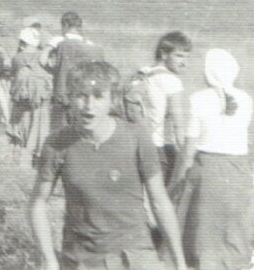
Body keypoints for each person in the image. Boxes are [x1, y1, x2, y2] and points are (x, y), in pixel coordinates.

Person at [29, 60, 186, 270]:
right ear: (70, 98)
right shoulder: (56, 143)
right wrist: (49, 259)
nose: (89, 105)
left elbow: (160, 202)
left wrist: (179, 263)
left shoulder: (136, 138)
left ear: (112, 100)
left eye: (98, 96)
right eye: (81, 95)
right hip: (82, 258)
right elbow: (38, 203)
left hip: (134, 255)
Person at [168, 49, 253, 270]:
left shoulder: (198, 99)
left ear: (208, 72)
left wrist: (176, 181)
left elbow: (189, 151)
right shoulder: (246, 99)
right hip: (239, 170)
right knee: (234, 230)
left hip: (207, 171)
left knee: (201, 234)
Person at [127, 31, 191, 179]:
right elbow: (178, 124)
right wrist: (186, 156)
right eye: (179, 56)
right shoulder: (171, 81)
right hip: (158, 147)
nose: (184, 62)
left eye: (187, 57)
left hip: (135, 143)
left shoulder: (142, 73)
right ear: (163, 54)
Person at [45, 11, 104, 129]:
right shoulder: (91, 45)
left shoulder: (59, 41)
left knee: (59, 129)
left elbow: (42, 60)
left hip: (63, 95)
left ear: (66, 25)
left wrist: (54, 70)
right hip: (84, 96)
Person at [9, 26, 53, 169]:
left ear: (22, 43)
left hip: (23, 99)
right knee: (40, 128)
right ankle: (38, 158)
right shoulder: (43, 57)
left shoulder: (17, 58)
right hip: (41, 98)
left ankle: (21, 159)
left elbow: (13, 74)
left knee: (22, 127)